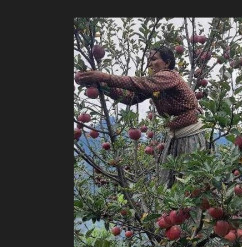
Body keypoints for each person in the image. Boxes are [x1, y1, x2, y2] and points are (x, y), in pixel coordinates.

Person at [78, 46, 207, 188]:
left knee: (191, 182)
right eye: (148, 60)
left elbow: (141, 84)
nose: (150, 64)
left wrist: (105, 77)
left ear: (167, 63)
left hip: (190, 135)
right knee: (172, 185)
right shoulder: (156, 85)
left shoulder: (170, 76)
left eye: (153, 59)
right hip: (176, 136)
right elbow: (130, 98)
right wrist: (103, 86)